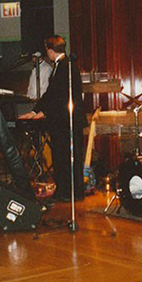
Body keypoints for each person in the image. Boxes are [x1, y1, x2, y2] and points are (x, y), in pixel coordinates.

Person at [19, 35, 86, 203]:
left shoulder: (67, 66)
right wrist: (35, 112)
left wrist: (43, 113)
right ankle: (65, 190)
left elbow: (61, 96)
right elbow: (51, 94)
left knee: (67, 157)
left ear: (50, 50)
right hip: (61, 119)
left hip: (66, 120)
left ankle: (70, 192)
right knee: (61, 156)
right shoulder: (61, 66)